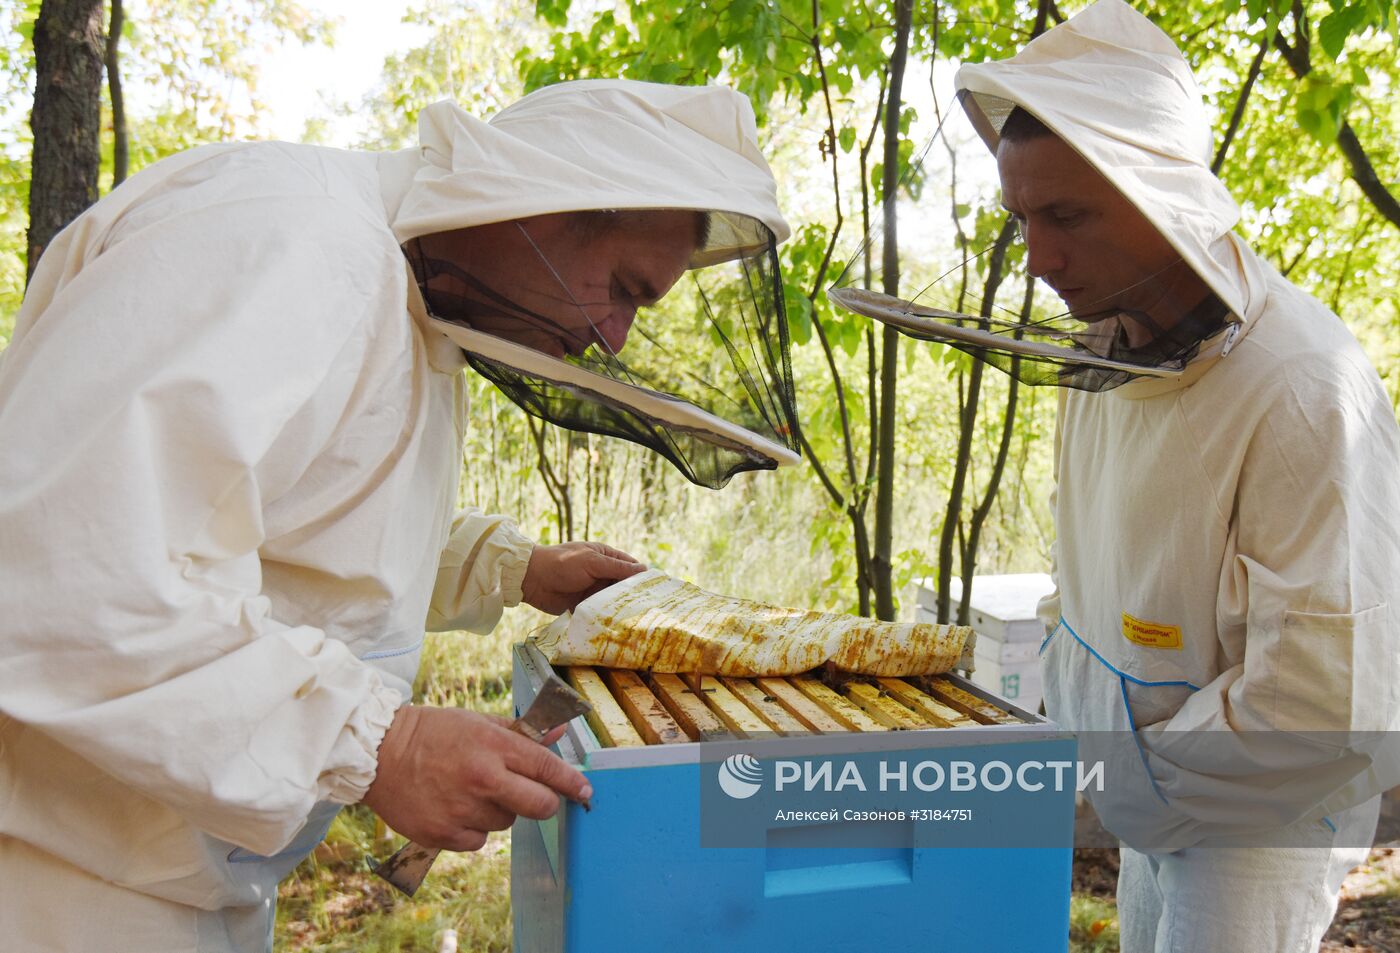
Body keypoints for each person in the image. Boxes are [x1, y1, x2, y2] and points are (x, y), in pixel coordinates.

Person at [0, 79, 795, 951]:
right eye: (626, 289)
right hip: (55, 878)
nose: (614, 337)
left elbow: (300, 536)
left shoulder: (406, 302)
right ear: (553, 200)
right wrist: (385, 744)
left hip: (169, 866)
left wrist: (514, 568)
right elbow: (65, 566)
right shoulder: (291, 243)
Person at [953, 1, 1400, 950]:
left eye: (1067, 215)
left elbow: (1324, 704)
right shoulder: (1104, 347)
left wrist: (1137, 775)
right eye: (1022, 218)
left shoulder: (1304, 385)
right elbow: (1102, 583)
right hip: (1149, 787)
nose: (1038, 257)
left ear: (1160, 194)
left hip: (1263, 821)